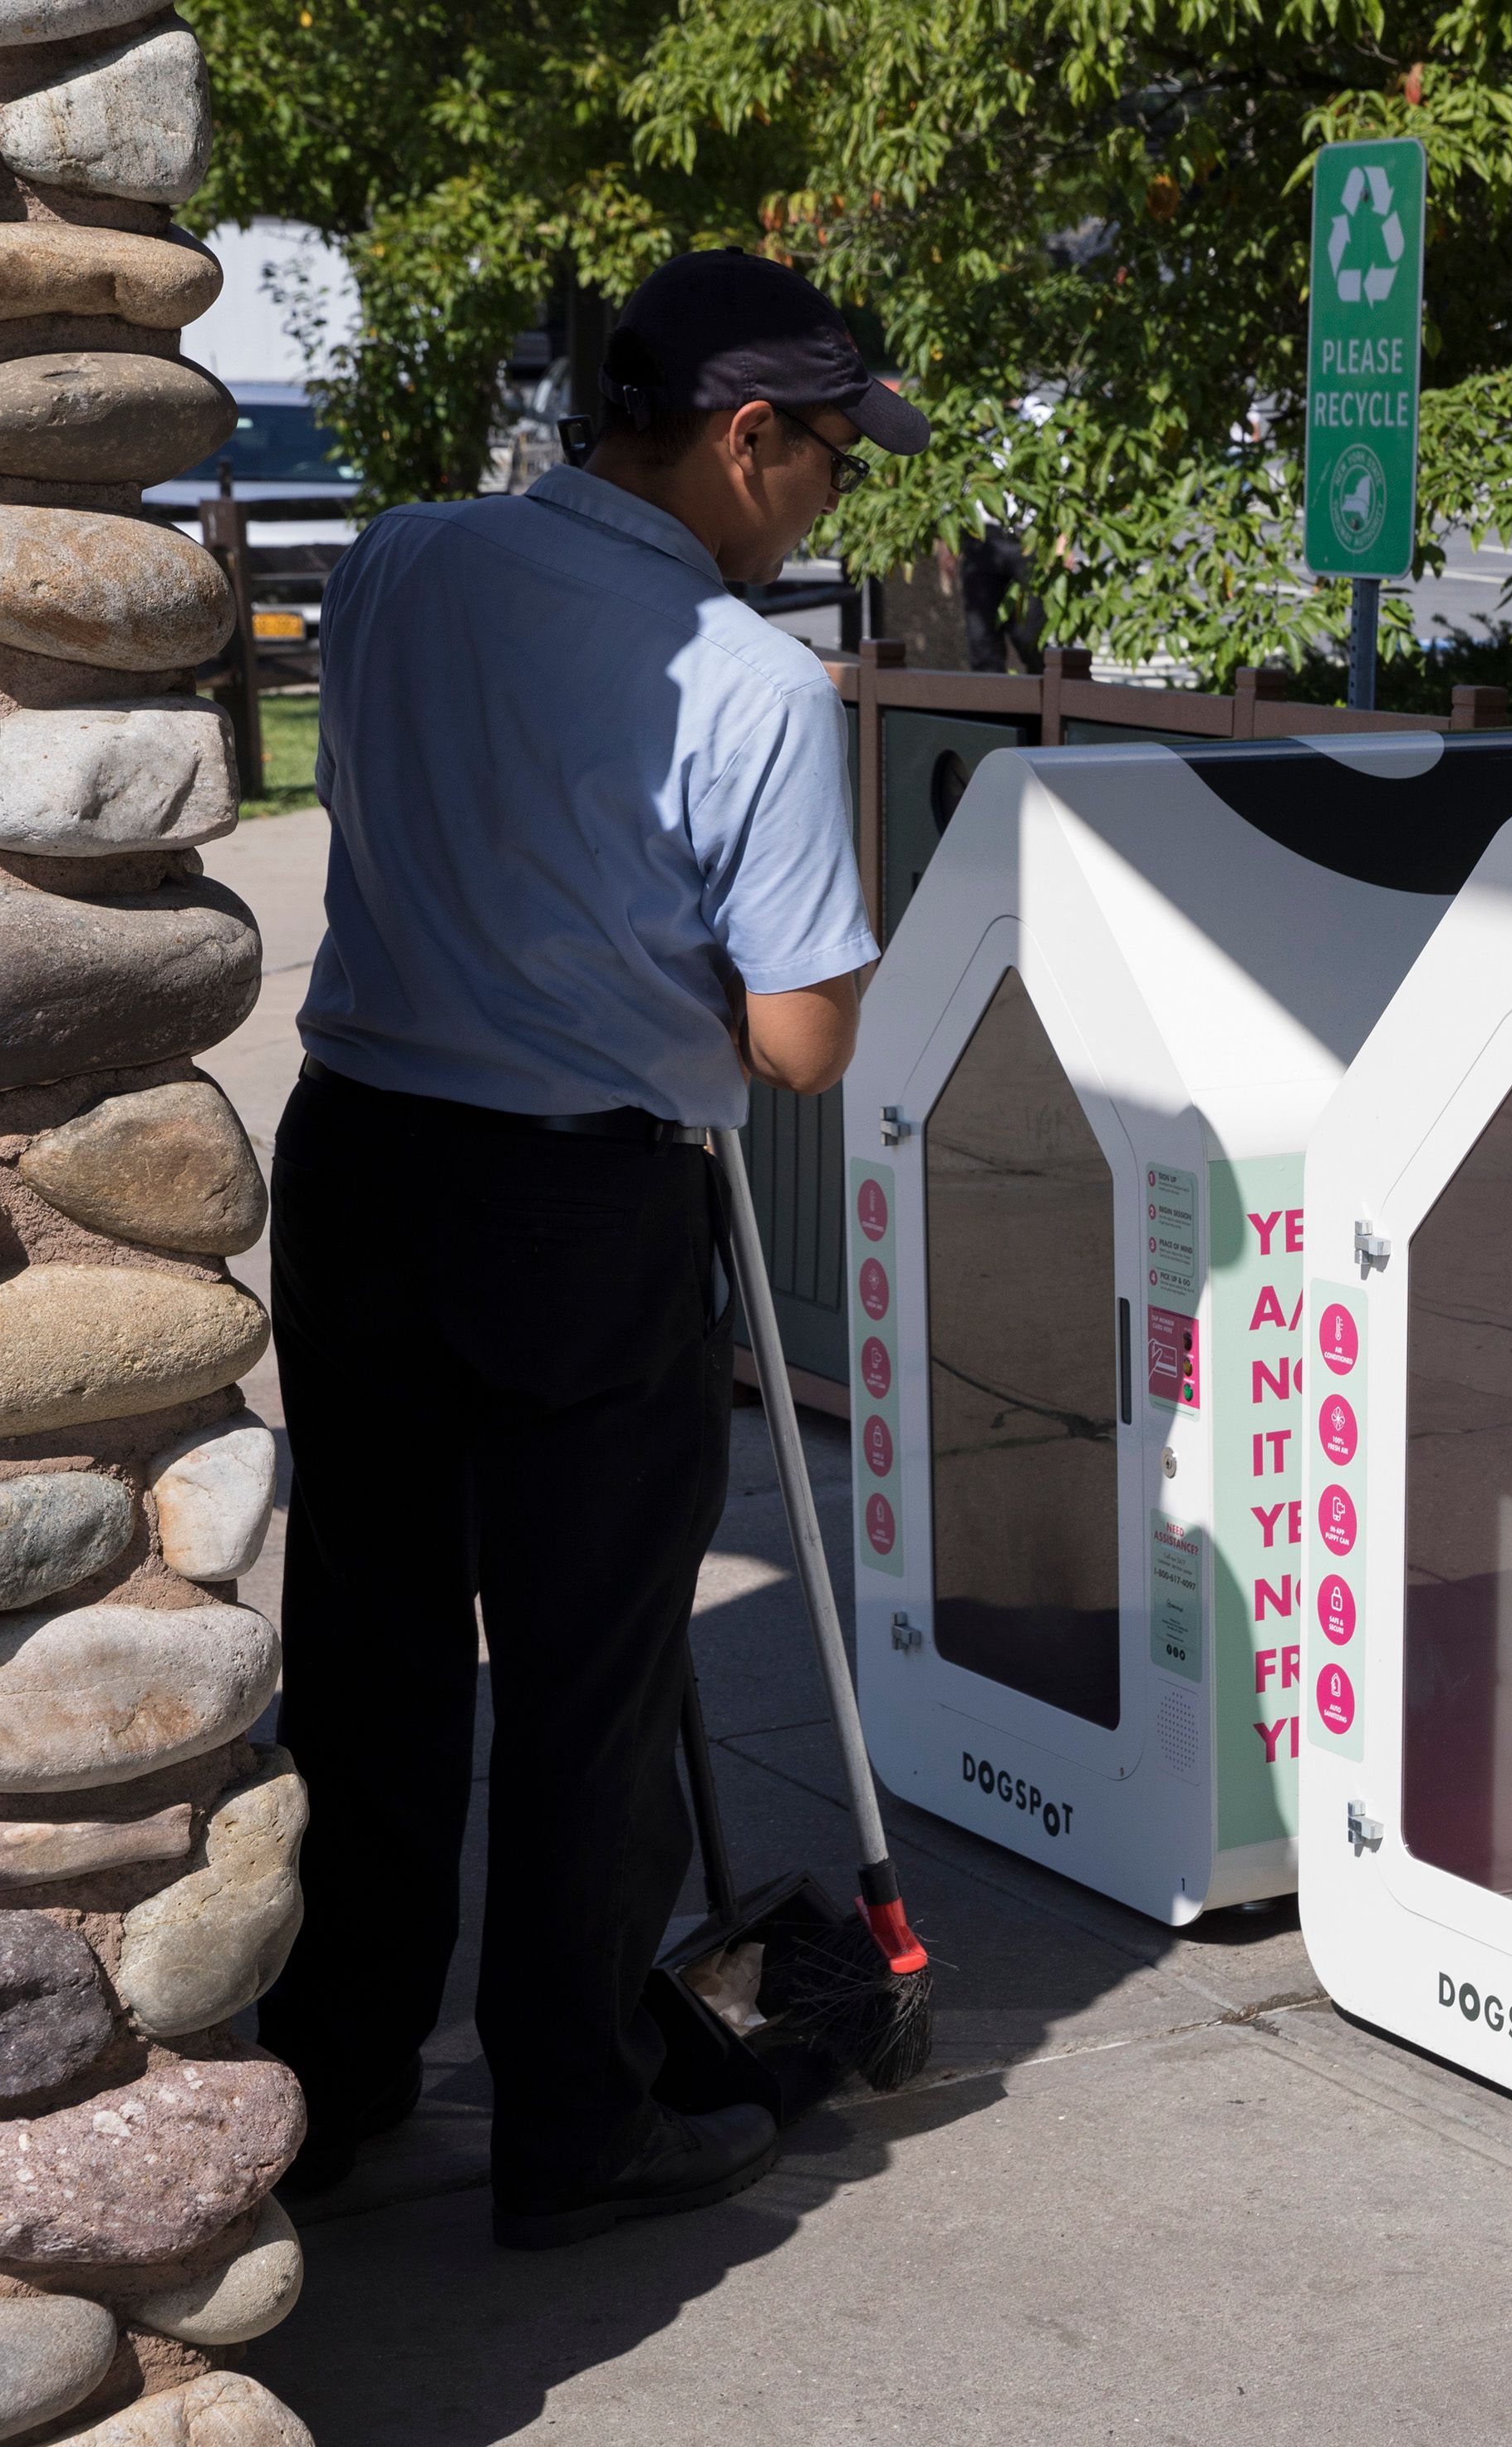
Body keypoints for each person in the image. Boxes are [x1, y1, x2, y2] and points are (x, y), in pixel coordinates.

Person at [259, 251, 929, 2250]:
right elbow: (807, 1039)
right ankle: (577, 2121)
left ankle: (338, 2073)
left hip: (363, 1159)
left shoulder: (396, 562)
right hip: (581, 1197)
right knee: (586, 1685)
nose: (833, 499)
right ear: (742, 437)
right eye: (827, 457)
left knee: (368, 1652)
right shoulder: (748, 684)